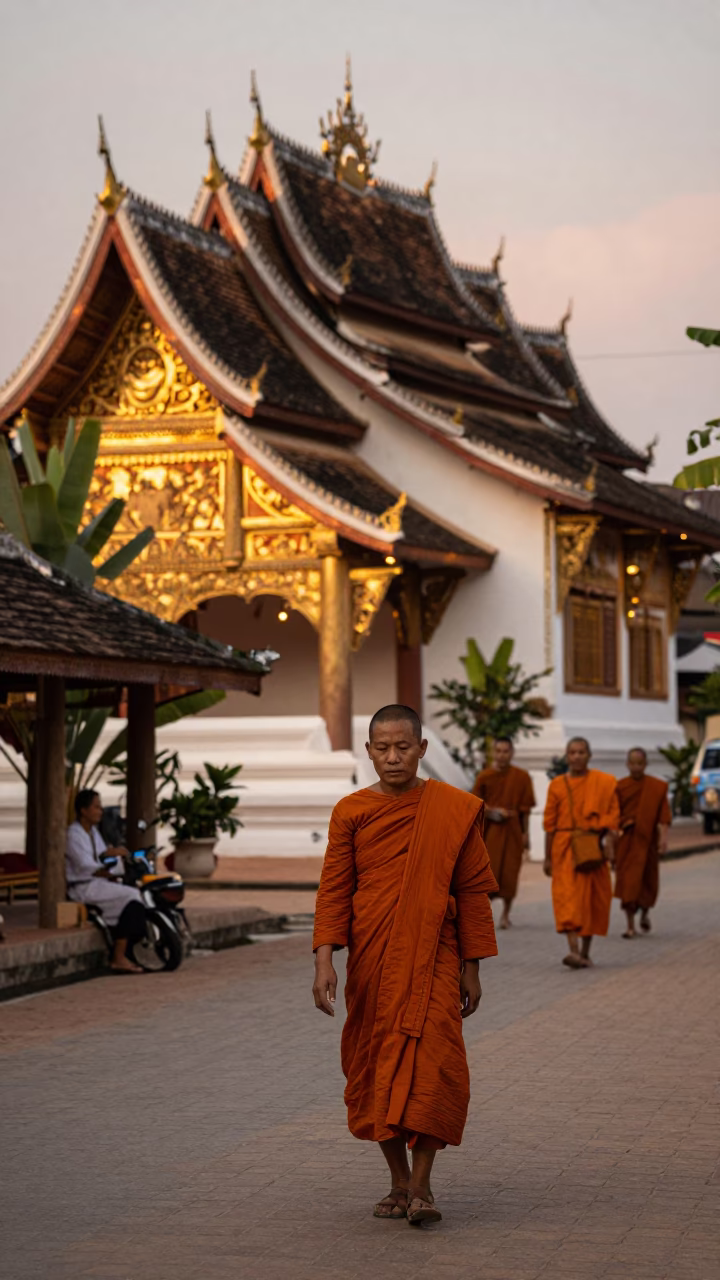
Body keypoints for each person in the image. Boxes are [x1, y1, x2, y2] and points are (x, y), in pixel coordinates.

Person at [312, 704, 498, 1226]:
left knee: (436, 1059)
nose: (393, 758)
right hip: (373, 959)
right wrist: (325, 960)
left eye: (403, 747)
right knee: (375, 1062)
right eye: (382, 748)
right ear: (368, 752)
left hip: (436, 955)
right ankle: (398, 1181)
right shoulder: (350, 811)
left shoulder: (452, 809)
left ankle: (422, 1184)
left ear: (422, 749)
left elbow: (473, 892)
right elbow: (335, 890)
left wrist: (473, 966)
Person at [543, 738, 620, 969]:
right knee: (568, 899)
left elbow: (614, 817)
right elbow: (549, 825)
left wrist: (608, 841)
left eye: (581, 752)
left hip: (591, 846)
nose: (577, 756)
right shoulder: (557, 785)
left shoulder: (603, 783)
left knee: (591, 900)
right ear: (567, 756)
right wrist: (547, 857)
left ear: (589, 755)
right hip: (564, 848)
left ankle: (585, 953)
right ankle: (574, 950)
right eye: (572, 752)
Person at [66, 789, 148, 974]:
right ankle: (118, 957)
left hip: (97, 882)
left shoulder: (93, 832)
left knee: (131, 892)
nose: (100, 811)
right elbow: (84, 864)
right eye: (96, 807)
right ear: (83, 810)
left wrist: (113, 855)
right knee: (131, 896)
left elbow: (103, 856)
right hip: (82, 886)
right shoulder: (73, 834)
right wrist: (104, 864)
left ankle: (122, 950)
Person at [472, 736, 536, 929]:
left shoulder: (522, 777)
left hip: (513, 829)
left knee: (510, 873)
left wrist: (526, 835)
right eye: (498, 751)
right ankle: (486, 914)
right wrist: (491, 810)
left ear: (512, 753)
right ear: (493, 753)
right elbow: (474, 804)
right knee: (488, 871)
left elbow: (526, 809)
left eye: (505, 751)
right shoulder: (484, 776)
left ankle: (506, 915)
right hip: (491, 831)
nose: (501, 755)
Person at [615, 748, 671, 938]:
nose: (636, 767)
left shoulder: (657, 787)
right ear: (627, 764)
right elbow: (614, 813)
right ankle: (630, 925)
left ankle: (645, 913)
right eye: (632, 763)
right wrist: (622, 823)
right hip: (628, 841)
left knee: (648, 881)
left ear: (646, 765)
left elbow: (664, 817)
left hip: (648, 842)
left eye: (640, 763)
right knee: (628, 883)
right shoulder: (620, 786)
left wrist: (663, 839)